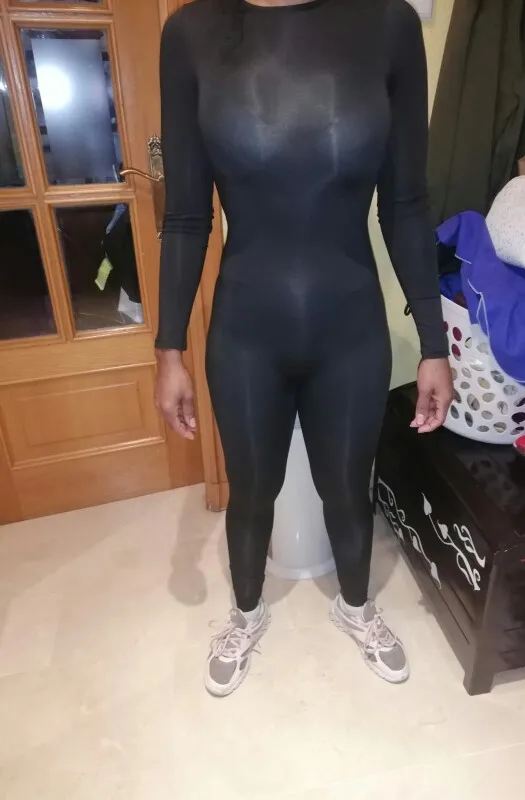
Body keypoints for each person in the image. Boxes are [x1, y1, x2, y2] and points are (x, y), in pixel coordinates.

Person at [155, 0, 452, 697]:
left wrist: (433, 342)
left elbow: (406, 203)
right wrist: (169, 350)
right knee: (251, 490)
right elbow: (188, 216)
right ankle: (245, 615)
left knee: (347, 488)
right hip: (246, 331)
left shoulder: (388, 25)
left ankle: (358, 608)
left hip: (349, 328)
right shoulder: (193, 33)